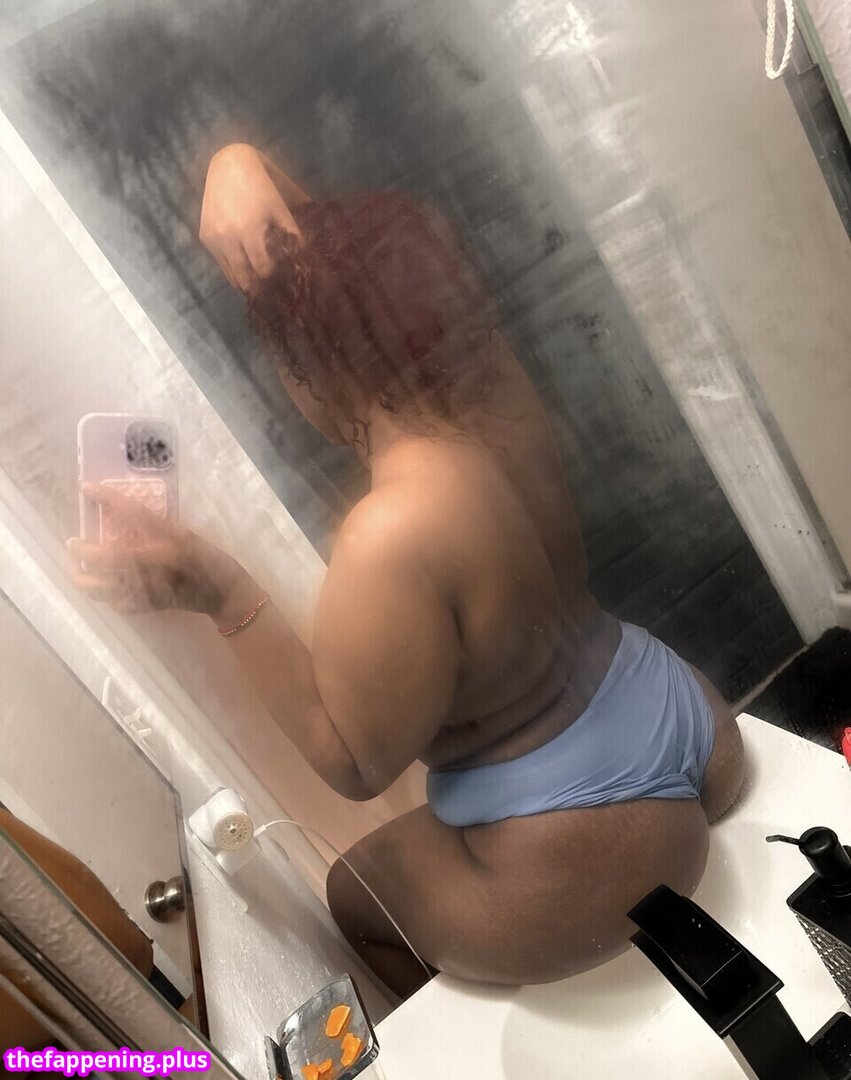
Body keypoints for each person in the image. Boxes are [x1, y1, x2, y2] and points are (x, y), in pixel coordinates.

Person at [67, 142, 745, 1001]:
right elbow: (356, 263)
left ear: (307, 369)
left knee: (352, 895)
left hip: (582, 851)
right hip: (685, 715)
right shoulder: (495, 384)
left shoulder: (393, 531)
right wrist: (238, 161)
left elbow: (354, 764)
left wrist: (220, 590)